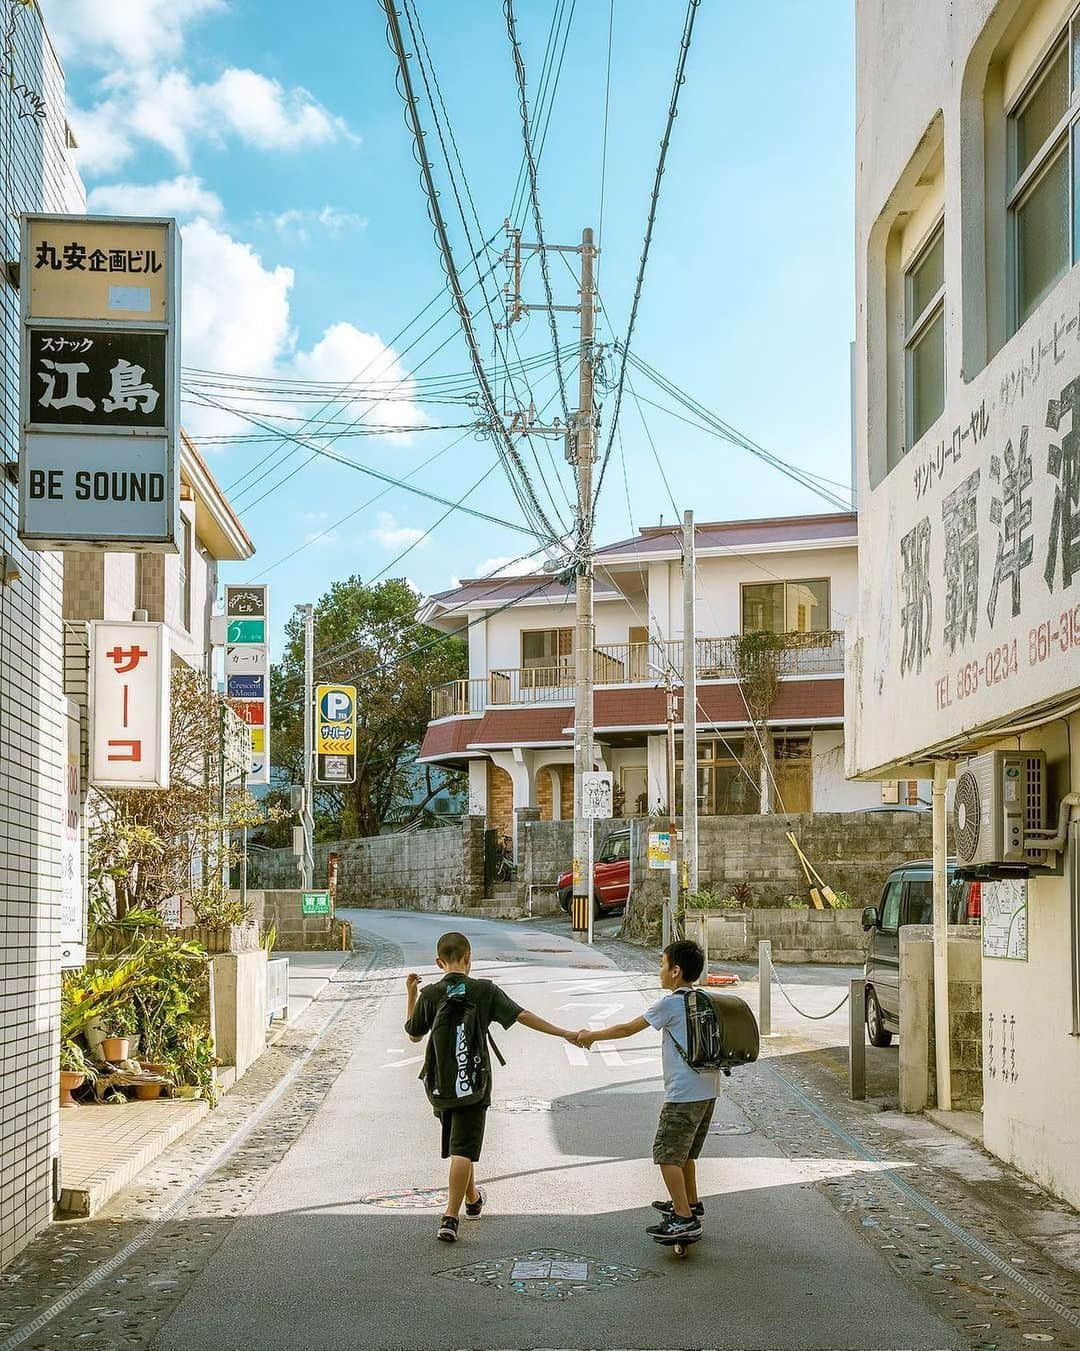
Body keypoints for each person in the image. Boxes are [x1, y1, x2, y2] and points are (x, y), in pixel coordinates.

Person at [405, 930, 578, 1243]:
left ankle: (471, 1199)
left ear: (438, 961)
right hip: (474, 1083)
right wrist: (564, 1032)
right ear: (469, 958)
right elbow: (522, 1015)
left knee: (461, 1144)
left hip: (442, 1084)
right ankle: (450, 1217)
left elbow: (414, 1034)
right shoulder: (484, 991)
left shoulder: (431, 994)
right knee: (462, 1148)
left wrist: (411, 995)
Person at [576, 938, 717, 1243]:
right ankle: (690, 1203)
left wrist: (593, 1036)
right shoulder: (703, 1000)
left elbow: (628, 1028)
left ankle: (683, 1218)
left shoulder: (670, 1003)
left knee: (667, 1155)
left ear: (676, 971)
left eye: (662, 964)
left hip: (683, 1094)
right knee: (686, 1154)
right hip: (709, 1089)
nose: (660, 970)